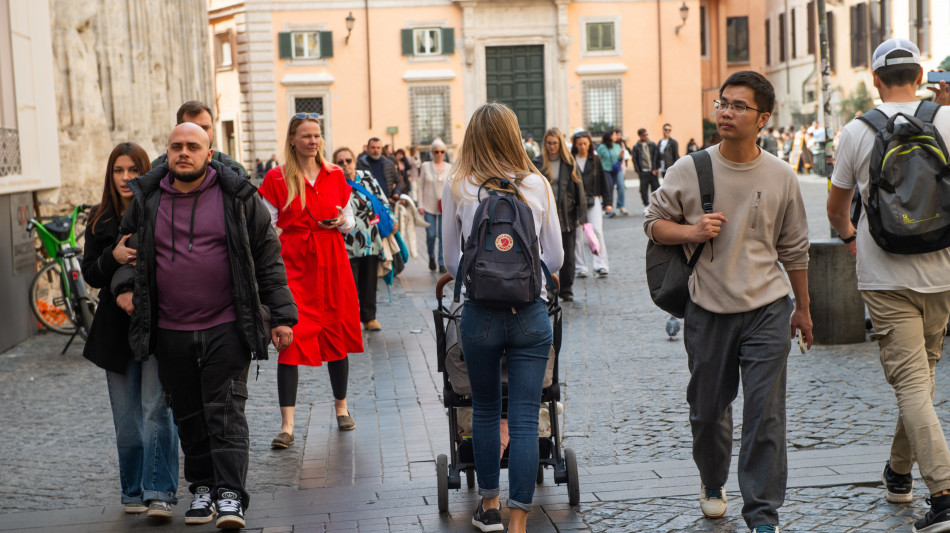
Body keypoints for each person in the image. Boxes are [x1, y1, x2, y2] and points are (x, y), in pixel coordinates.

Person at [644, 70, 813, 533]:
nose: (726, 111)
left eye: (739, 106)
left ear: (763, 118)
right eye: (722, 102)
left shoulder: (781, 175)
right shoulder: (690, 169)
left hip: (767, 308)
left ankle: (762, 514)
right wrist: (691, 231)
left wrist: (803, 307)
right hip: (707, 307)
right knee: (707, 410)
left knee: (765, 414)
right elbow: (654, 222)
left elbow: (795, 248)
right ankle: (713, 479)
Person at [114, 123, 297, 529]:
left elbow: (267, 258)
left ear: (209, 153)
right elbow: (126, 253)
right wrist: (124, 287)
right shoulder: (147, 199)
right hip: (170, 330)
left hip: (226, 325)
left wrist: (282, 317)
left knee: (226, 411)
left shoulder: (238, 197)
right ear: (167, 152)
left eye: (193, 146)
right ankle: (202, 489)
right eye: (177, 146)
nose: (184, 153)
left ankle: (230, 496)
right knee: (190, 416)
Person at [826, 38, 950, 533]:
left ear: (875, 80)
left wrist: (853, 239)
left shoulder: (856, 132)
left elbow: (836, 210)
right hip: (943, 273)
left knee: (914, 384)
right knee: (921, 379)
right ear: (920, 76)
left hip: (884, 277)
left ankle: (942, 495)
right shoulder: (946, 120)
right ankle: (899, 474)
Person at [443, 101, 563, 533]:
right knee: (528, 416)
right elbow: (557, 256)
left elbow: (450, 258)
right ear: (514, 135)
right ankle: (518, 523)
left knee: (487, 409)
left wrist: (486, 276)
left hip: (481, 315)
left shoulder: (457, 184)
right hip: (530, 313)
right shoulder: (536, 184)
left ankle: (489, 505)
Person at [81, 143, 178, 519]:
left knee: (157, 410)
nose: (126, 178)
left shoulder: (160, 210)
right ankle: (133, 491)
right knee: (126, 419)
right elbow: (91, 272)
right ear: (111, 175)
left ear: (145, 172)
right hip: (114, 329)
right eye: (119, 171)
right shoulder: (99, 218)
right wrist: (114, 258)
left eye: (133, 170)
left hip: (156, 321)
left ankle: (160, 492)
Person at [258, 114, 364, 442]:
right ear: (292, 140)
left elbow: (350, 218)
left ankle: (342, 408)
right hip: (294, 264)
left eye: (317, 135)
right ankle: (287, 426)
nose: (313, 141)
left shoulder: (334, 174)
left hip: (332, 261)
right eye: (306, 136)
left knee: (337, 332)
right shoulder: (277, 178)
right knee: (289, 336)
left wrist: (340, 222)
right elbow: (266, 226)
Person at [335, 146, 391, 332]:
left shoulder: (366, 176)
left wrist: (391, 217)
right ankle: (349, 320)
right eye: (340, 162)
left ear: (354, 161)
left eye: (348, 161)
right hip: (347, 241)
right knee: (349, 285)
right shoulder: (333, 182)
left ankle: (369, 318)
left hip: (370, 238)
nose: (345, 165)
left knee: (369, 281)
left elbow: (381, 200)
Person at [536, 127, 586, 302]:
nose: (552, 147)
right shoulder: (538, 163)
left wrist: (582, 215)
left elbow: (579, 189)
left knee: (568, 254)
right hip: (546, 215)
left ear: (560, 144)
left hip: (567, 215)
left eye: (555, 143)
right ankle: (549, 287)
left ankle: (566, 289)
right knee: (545, 253)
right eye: (549, 143)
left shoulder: (569, 162)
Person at [151, 101, 248, 178]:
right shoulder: (153, 171)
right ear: (178, 129)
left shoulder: (235, 171)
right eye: (193, 128)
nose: (201, 134)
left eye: (205, 128)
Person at [571, 130, 613, 278]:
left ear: (589, 144)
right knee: (577, 235)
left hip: (593, 199)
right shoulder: (570, 160)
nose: (582, 146)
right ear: (575, 145)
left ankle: (601, 264)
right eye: (579, 144)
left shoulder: (595, 160)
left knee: (596, 231)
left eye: (585, 143)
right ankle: (580, 267)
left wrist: (608, 202)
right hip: (575, 202)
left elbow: (603, 181)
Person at [418, 139, 452, 273]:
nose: (439, 154)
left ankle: (441, 262)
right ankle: (431, 256)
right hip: (428, 205)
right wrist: (420, 204)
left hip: (445, 206)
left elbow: (452, 187)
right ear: (432, 152)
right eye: (436, 151)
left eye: (442, 151)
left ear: (445, 153)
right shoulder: (425, 166)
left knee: (443, 235)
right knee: (431, 234)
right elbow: (420, 187)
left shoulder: (450, 167)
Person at [357, 137, 402, 203]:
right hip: (368, 203)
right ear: (367, 148)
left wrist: (396, 193)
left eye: (378, 148)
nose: (376, 150)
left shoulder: (389, 164)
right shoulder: (360, 164)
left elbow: (398, 182)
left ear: (381, 149)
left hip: (386, 203)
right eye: (373, 147)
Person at [632, 128, 659, 215]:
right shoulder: (636, 147)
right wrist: (638, 171)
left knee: (656, 188)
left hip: (652, 171)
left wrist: (655, 168)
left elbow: (656, 157)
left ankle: (656, 206)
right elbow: (635, 159)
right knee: (643, 189)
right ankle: (646, 205)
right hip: (643, 171)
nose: (646, 136)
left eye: (647, 134)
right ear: (640, 136)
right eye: (644, 135)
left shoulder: (652, 145)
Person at [595, 130, 623, 216]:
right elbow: (597, 159)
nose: (616, 136)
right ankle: (609, 208)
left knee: (621, 186)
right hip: (606, 169)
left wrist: (620, 158)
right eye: (614, 135)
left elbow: (619, 159)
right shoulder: (602, 147)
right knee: (609, 187)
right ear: (609, 136)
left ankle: (621, 205)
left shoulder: (618, 146)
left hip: (616, 169)